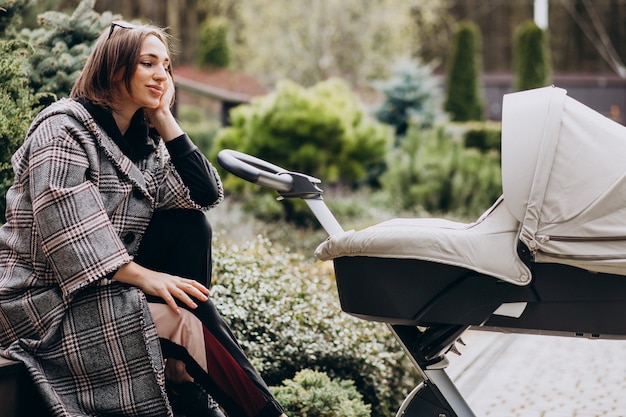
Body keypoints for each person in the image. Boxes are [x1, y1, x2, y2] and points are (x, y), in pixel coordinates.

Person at [0, 20, 287, 417]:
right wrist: (147, 277)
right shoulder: (62, 130)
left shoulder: (144, 143)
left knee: (189, 225)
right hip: (44, 303)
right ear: (116, 68)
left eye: (166, 66)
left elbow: (201, 195)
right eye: (148, 63)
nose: (161, 75)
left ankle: (181, 373)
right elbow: (67, 233)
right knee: (185, 323)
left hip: (103, 289)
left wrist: (165, 118)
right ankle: (261, 411)